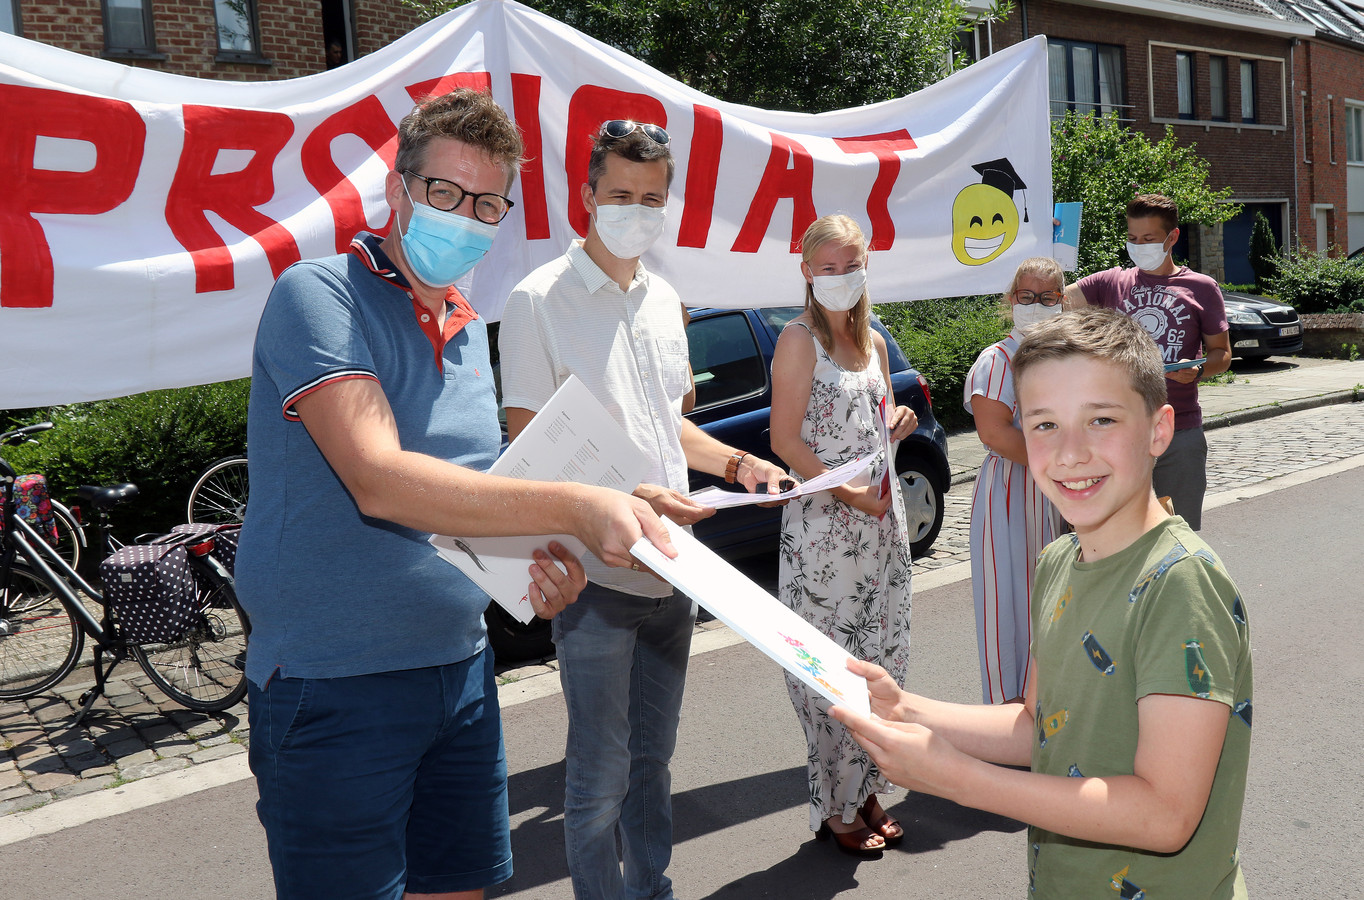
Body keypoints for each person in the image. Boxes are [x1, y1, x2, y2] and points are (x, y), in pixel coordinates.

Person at [236, 90, 674, 900]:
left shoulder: (469, 327)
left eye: (486, 203)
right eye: (443, 191)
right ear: (396, 190)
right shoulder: (319, 294)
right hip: (334, 684)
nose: (464, 216)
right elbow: (379, 478)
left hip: (462, 673)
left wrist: (544, 562)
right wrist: (574, 507)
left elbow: (478, 495)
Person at [833, 308, 1253, 898]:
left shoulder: (1180, 583)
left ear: (1159, 431)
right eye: (1045, 425)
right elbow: (1036, 723)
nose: (1070, 452)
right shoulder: (1057, 560)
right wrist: (905, 709)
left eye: (1101, 419)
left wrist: (961, 779)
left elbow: (1165, 815)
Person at [498, 119, 787, 900]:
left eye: (651, 198)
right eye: (620, 194)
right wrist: (630, 497)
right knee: (598, 778)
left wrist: (736, 463)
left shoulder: (664, 299)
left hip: (675, 571)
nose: (635, 210)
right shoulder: (537, 302)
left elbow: (669, 423)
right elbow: (529, 449)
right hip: (595, 580)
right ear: (587, 197)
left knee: (654, 763)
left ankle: (651, 888)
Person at [768, 214, 917, 858]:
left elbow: (868, 424)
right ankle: (835, 804)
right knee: (832, 668)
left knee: (883, 658)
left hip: (881, 525)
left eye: (849, 265)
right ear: (807, 271)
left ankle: (868, 787)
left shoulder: (874, 342)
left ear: (865, 267)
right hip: (826, 529)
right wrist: (847, 493)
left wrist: (897, 422)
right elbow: (785, 440)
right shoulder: (798, 339)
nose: (839, 276)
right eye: (826, 267)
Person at [1064, 193, 1230, 529]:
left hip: (1178, 431)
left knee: (1177, 533)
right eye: (1132, 238)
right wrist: (1054, 242)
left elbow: (1222, 354)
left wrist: (1198, 370)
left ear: (1173, 237)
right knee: (1115, 531)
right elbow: (1052, 299)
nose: (1139, 246)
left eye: (1148, 239)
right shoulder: (1110, 282)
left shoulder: (1201, 287)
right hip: (1116, 432)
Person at [964, 257, 1064, 705]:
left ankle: (1053, 705)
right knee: (1010, 602)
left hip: (1060, 490)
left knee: (1055, 599)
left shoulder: (1068, 357)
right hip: (1013, 491)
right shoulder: (998, 360)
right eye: (1027, 296)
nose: (1036, 305)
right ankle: (1008, 709)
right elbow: (994, 433)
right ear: (1011, 300)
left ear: (1062, 302)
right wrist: (1059, 468)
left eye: (1047, 297)